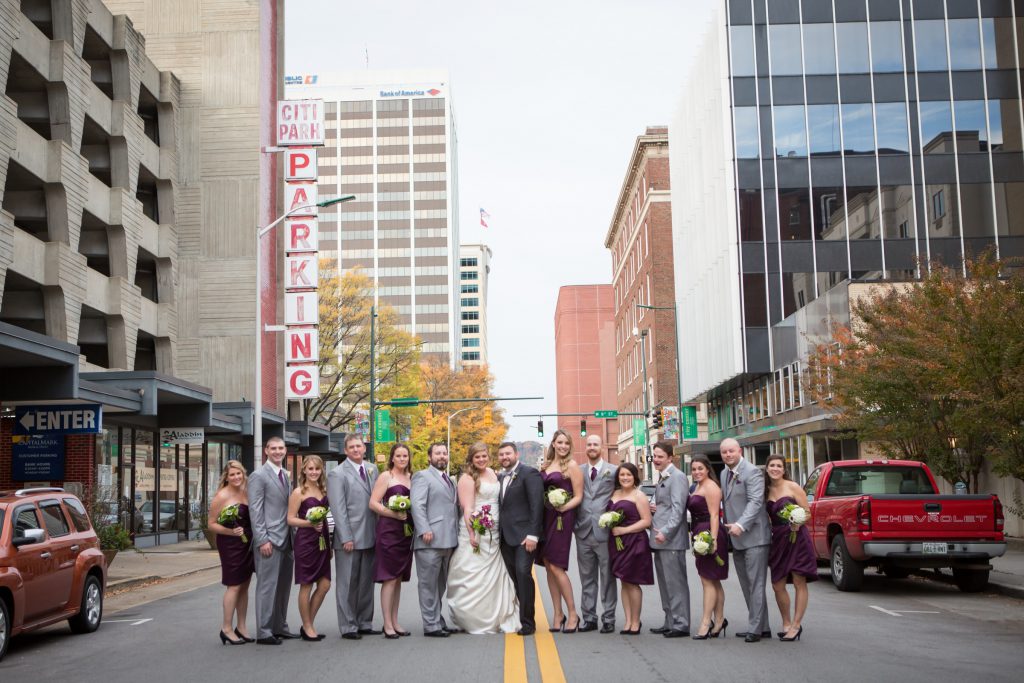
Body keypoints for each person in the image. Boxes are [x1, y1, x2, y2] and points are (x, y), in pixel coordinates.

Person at [447, 442, 521, 634]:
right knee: (474, 572)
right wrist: (472, 534)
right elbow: (468, 508)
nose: (481, 460)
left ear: (488, 456)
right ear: (471, 459)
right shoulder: (467, 478)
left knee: (495, 574)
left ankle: (497, 615)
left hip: (495, 533)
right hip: (475, 529)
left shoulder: (494, 474)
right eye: (477, 457)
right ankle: (475, 619)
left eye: (484, 456)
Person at [327, 434, 380, 640]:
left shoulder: (372, 469)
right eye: (351, 447)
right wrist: (345, 537)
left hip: (371, 534)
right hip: (349, 538)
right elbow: (338, 509)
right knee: (347, 584)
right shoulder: (337, 474)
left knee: (366, 583)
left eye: (359, 446)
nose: (356, 450)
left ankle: (364, 621)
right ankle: (348, 625)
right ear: (345, 450)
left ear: (364, 448)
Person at [720, 437, 772, 643]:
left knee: (756, 584)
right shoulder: (724, 473)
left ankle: (755, 628)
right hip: (736, 538)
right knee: (746, 584)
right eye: (724, 452)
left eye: (731, 451)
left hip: (755, 536)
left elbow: (756, 502)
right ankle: (762, 626)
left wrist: (741, 525)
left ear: (739, 451)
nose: (728, 455)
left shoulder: (753, 472)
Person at [248, 436, 298, 645]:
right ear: (266, 451)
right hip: (269, 540)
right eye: (273, 448)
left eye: (281, 448)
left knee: (283, 587)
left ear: (285, 450)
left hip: (287, 539)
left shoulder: (285, 474)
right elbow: (255, 510)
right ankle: (264, 631)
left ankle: (280, 626)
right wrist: (262, 539)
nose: (278, 451)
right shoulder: (258, 476)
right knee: (267, 587)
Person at [409, 442, 460, 637]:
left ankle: (437, 619)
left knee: (440, 585)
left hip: (448, 540)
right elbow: (417, 505)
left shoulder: (450, 480)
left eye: (444, 453)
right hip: (429, 540)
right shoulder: (422, 476)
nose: (442, 456)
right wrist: (424, 529)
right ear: (430, 457)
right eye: (438, 453)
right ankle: (431, 625)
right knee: (428, 585)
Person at [536, 430, 584, 633]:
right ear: (553, 444)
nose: (563, 446)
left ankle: (573, 613)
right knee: (548, 566)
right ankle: (558, 614)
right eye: (560, 442)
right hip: (545, 518)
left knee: (557, 566)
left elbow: (579, 496)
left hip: (561, 519)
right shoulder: (545, 466)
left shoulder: (571, 466)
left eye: (567, 443)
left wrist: (564, 507)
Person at [765, 453, 816, 642]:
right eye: (772, 465)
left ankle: (796, 625)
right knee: (777, 584)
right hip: (778, 539)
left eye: (779, 466)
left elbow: (808, 512)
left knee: (798, 580)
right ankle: (786, 623)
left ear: (784, 469)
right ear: (767, 468)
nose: (775, 469)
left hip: (797, 537)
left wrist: (797, 521)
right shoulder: (765, 490)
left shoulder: (793, 487)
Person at [497, 441, 544, 636]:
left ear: (516, 454)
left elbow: (537, 505)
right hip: (504, 537)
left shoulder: (529, 473)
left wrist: (533, 534)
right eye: (501, 454)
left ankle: (528, 622)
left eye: (508, 453)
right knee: (515, 578)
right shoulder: (499, 477)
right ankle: (519, 616)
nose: (505, 457)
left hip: (525, 537)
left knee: (523, 574)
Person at [369, 443, 415, 639]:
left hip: (406, 532)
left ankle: (395, 621)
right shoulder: (386, 476)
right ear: (392, 458)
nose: (402, 459)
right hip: (389, 531)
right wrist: (392, 514)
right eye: (398, 456)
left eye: (405, 456)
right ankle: (387, 623)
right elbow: (373, 503)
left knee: (398, 578)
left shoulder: (411, 477)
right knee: (389, 577)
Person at [573, 434, 618, 634]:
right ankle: (589, 618)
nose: (592, 447)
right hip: (583, 531)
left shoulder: (613, 471)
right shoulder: (578, 471)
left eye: (595, 444)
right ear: (586, 447)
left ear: (602, 447)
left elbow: (622, 495)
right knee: (586, 578)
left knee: (607, 577)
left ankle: (609, 618)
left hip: (604, 531)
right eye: (589, 444)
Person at [648, 441, 691, 638]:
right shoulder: (662, 476)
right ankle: (670, 621)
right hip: (659, 539)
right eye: (655, 456)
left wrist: (666, 531)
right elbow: (665, 504)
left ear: (670, 458)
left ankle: (681, 624)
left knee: (676, 584)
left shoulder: (678, 477)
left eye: (660, 457)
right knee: (665, 584)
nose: (656, 460)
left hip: (670, 539)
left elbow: (678, 509)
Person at [209, 460, 254, 645]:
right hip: (230, 544)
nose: (236, 477)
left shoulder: (246, 492)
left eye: (238, 473)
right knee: (234, 585)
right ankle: (226, 628)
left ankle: (241, 627)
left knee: (244, 585)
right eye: (232, 474)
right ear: (226, 477)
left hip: (247, 542)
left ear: (243, 474)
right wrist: (230, 532)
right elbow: (211, 524)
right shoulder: (222, 496)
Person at [287, 455, 331, 642]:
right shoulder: (299, 492)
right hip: (306, 541)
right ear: (304, 470)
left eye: (317, 469)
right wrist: (309, 524)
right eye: (310, 469)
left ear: (321, 470)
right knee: (307, 584)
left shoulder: (324, 489)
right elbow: (290, 519)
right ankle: (307, 626)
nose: (314, 472)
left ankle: (308, 624)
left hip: (323, 540)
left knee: (325, 584)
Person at [607, 462, 653, 635]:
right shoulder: (614, 493)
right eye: (622, 475)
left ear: (634, 477)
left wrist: (623, 530)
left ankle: (635, 621)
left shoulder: (639, 495)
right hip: (617, 543)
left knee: (632, 582)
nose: (625, 478)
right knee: (623, 581)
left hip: (635, 541)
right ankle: (627, 620)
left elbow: (646, 521)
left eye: (628, 475)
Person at [686, 454, 729, 639]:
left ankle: (706, 623)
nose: (697, 472)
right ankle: (719, 620)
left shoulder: (711, 486)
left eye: (700, 469)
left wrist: (713, 540)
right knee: (713, 580)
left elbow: (714, 515)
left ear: (707, 469)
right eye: (694, 469)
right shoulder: (697, 486)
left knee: (707, 580)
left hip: (709, 533)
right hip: (698, 531)